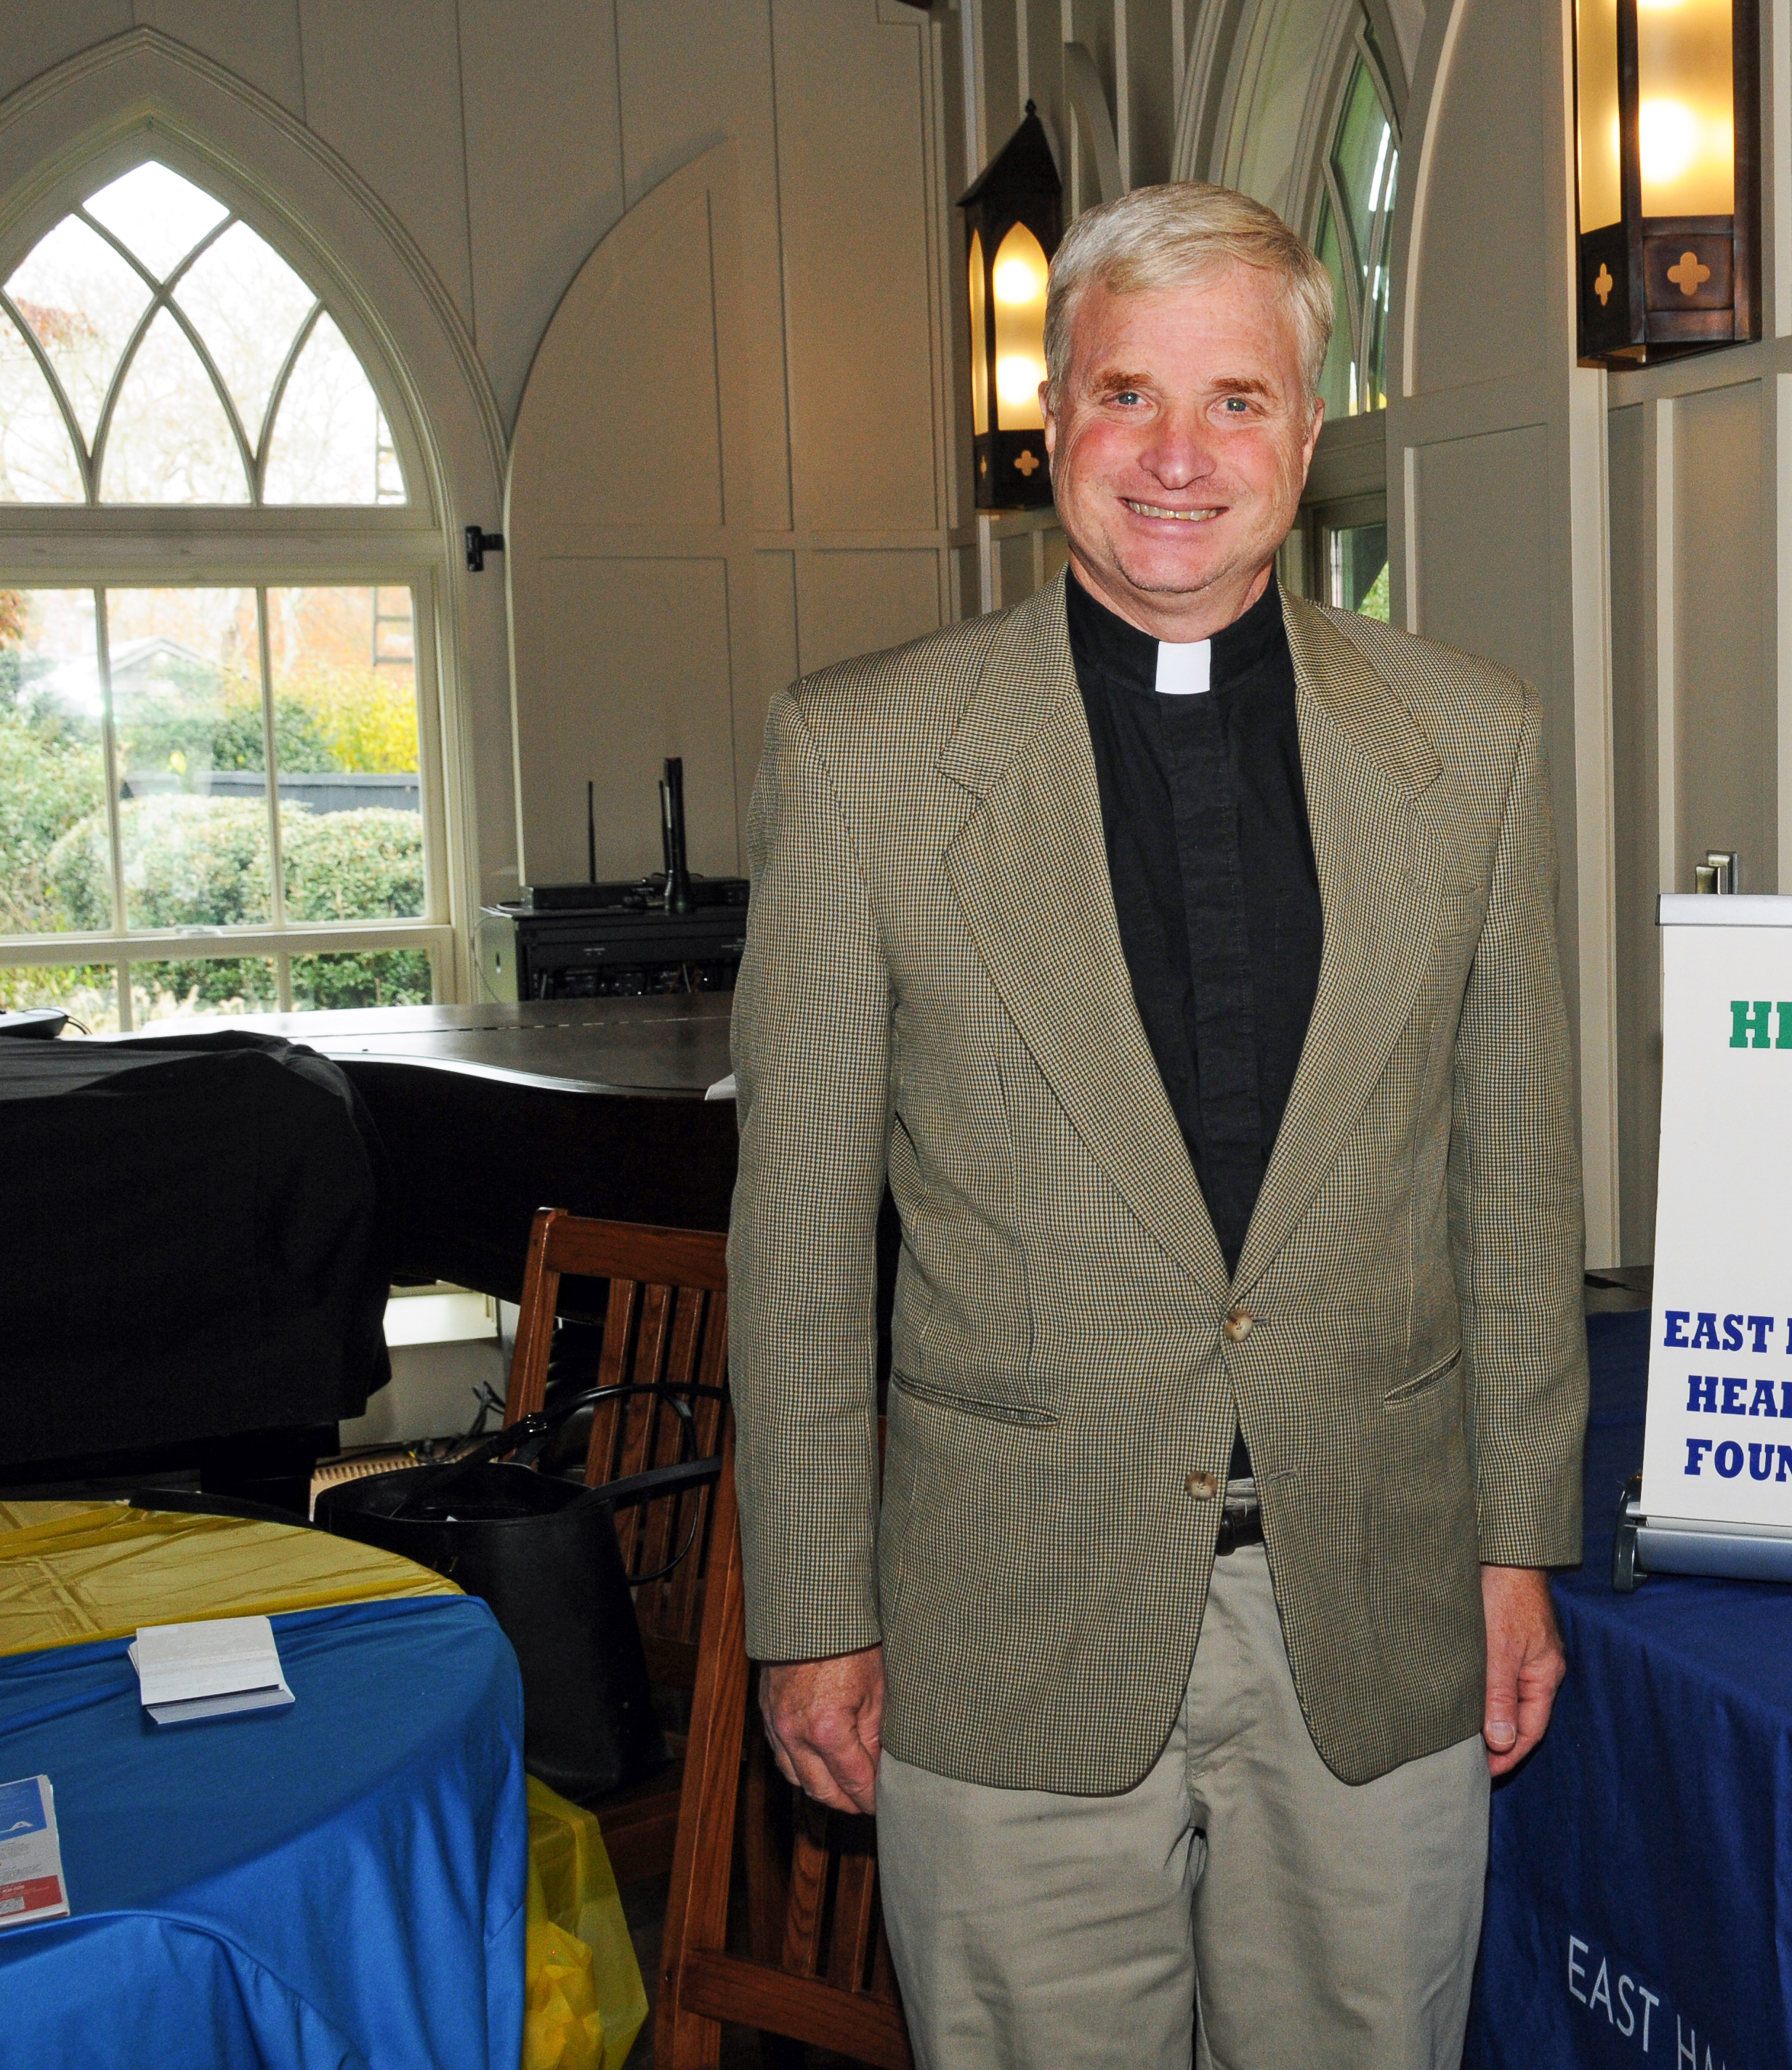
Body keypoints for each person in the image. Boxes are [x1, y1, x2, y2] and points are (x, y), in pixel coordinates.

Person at [725, 180, 1589, 2069]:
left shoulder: (1475, 743)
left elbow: (1513, 1184)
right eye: (1128, 395)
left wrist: (1520, 1540)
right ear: (1052, 423)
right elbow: (792, 1244)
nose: (1179, 458)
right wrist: (808, 1612)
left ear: (1311, 425)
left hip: (1368, 1604)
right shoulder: (862, 751)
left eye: (1239, 401)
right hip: (1005, 1622)